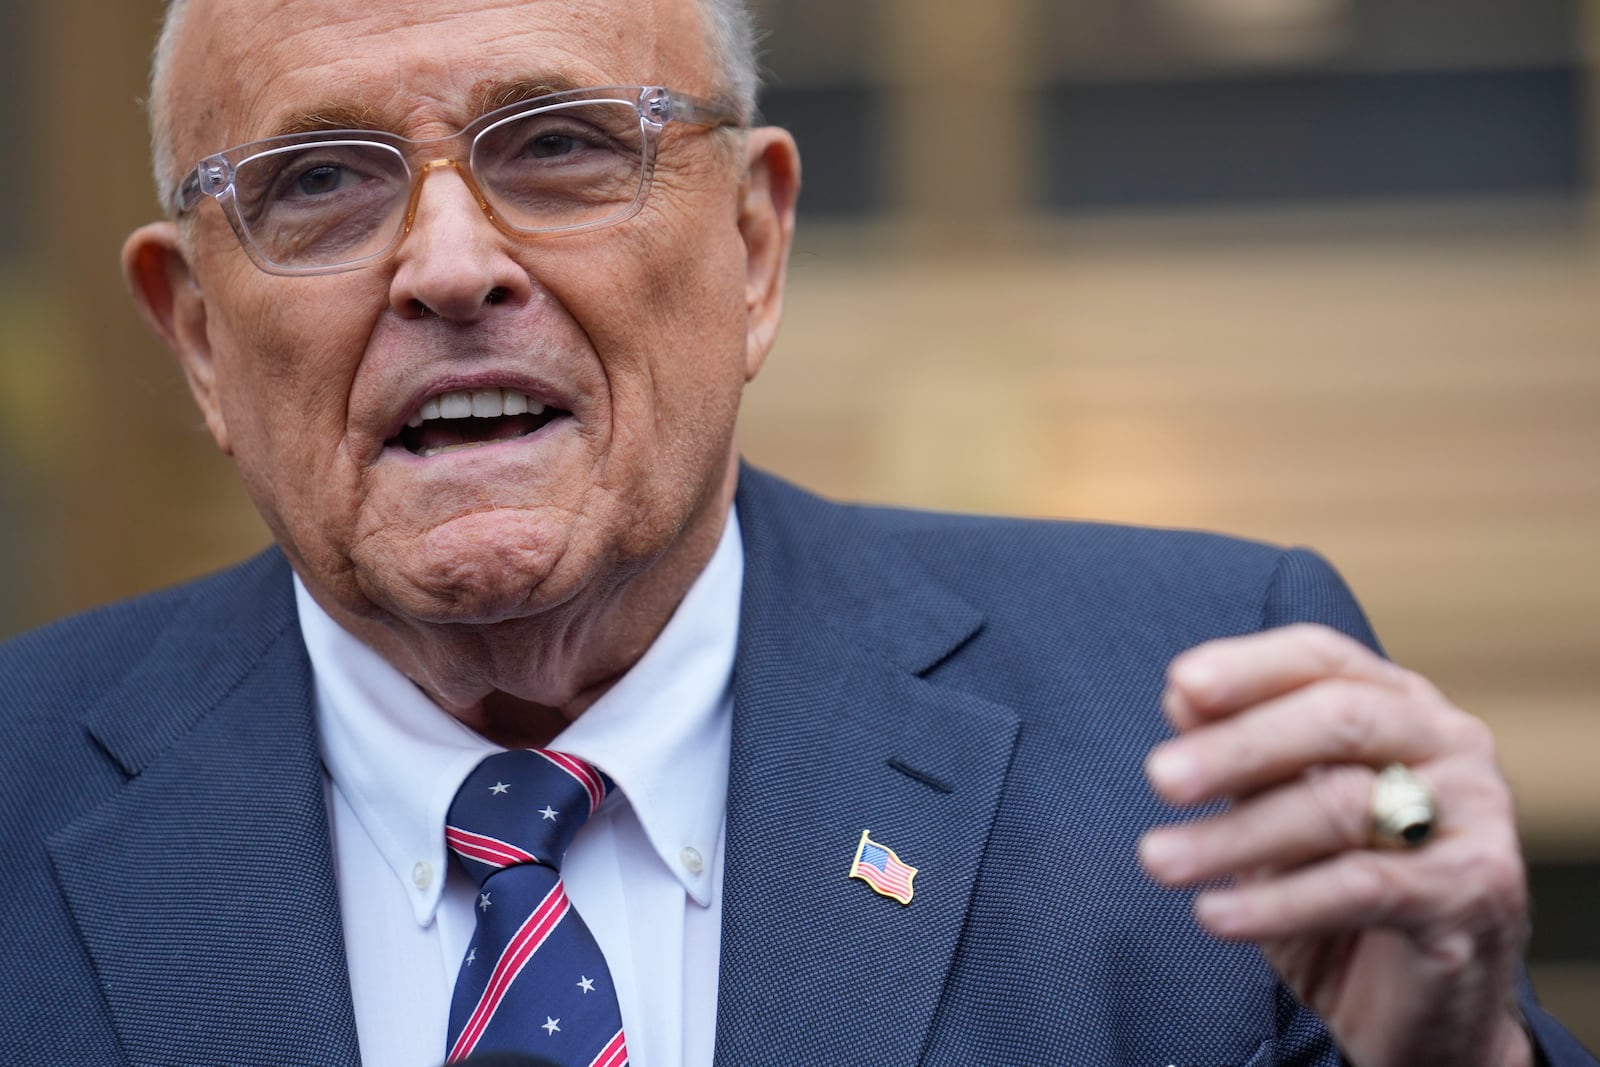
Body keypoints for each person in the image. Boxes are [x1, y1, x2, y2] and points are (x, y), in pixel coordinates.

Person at [0, 0, 1592, 1063]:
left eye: (558, 145)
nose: (448, 265)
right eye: (322, 181)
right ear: (198, 335)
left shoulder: (1185, 713)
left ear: (754, 245)